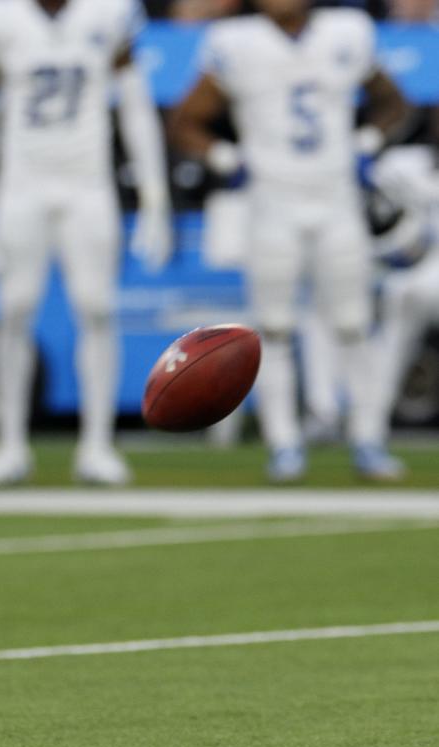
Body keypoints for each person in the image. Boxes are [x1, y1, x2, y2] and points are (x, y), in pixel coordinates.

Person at [169, 0, 410, 482]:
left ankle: (368, 437)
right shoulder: (235, 42)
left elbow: (393, 104)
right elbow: (184, 122)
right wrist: (225, 159)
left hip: (336, 200)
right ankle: (284, 443)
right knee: (273, 329)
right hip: (272, 204)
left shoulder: (348, 31)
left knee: (353, 323)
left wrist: (366, 145)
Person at [0, 0, 174, 487]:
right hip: (22, 184)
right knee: (15, 309)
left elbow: (135, 103)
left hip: (87, 185)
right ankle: (10, 443)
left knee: (95, 307)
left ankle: (97, 444)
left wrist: (155, 195)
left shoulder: (108, 14)